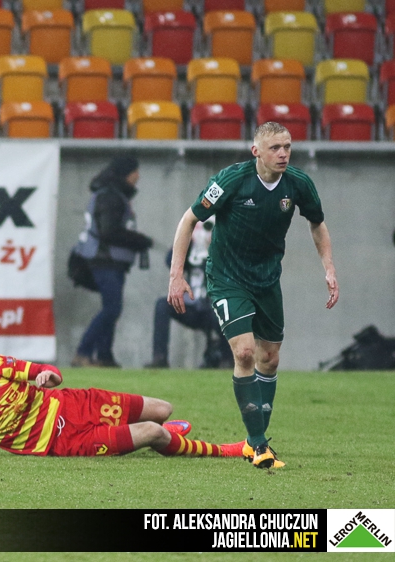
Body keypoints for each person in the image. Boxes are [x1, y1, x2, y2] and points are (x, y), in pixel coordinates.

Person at [167, 121, 339, 469]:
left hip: (267, 281)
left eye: (287, 147)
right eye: (275, 148)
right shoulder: (231, 180)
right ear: (256, 151)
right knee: (244, 352)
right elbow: (189, 219)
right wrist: (176, 274)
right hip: (227, 278)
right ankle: (259, 445)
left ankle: (253, 441)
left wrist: (329, 267)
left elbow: (317, 223)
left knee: (269, 359)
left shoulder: (298, 183)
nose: (283, 154)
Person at [0, 338, 243, 459]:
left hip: (73, 403)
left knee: (162, 410)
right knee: (152, 433)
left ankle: (166, 433)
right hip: (61, 440)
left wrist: (48, 377)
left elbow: (48, 371)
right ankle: (227, 450)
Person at [71, 155, 153, 368]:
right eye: (135, 171)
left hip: (109, 261)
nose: (138, 176)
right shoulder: (110, 196)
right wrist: (139, 240)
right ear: (126, 173)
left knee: (111, 308)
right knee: (112, 309)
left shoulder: (110, 193)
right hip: (104, 260)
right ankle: (83, 352)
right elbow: (109, 232)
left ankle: (104, 356)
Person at [145, 221, 232, 369]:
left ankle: (227, 359)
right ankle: (159, 357)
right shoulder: (191, 247)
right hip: (193, 305)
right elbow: (170, 261)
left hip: (215, 306)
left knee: (223, 311)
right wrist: (186, 240)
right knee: (162, 305)